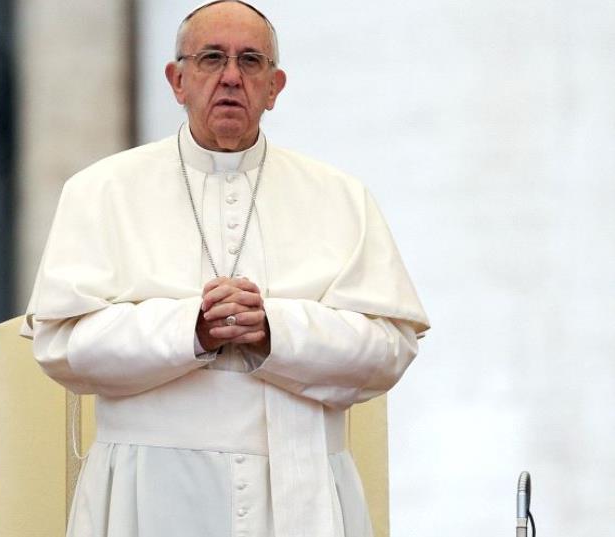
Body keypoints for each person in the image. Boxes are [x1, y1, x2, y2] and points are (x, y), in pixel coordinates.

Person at [22, 1, 429, 536]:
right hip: (149, 491)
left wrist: (273, 329)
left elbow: (389, 349)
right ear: (177, 80)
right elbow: (61, 346)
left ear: (275, 87)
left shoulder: (340, 197)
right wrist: (191, 328)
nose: (232, 77)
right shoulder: (101, 191)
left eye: (251, 61)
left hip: (298, 486)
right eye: (211, 58)